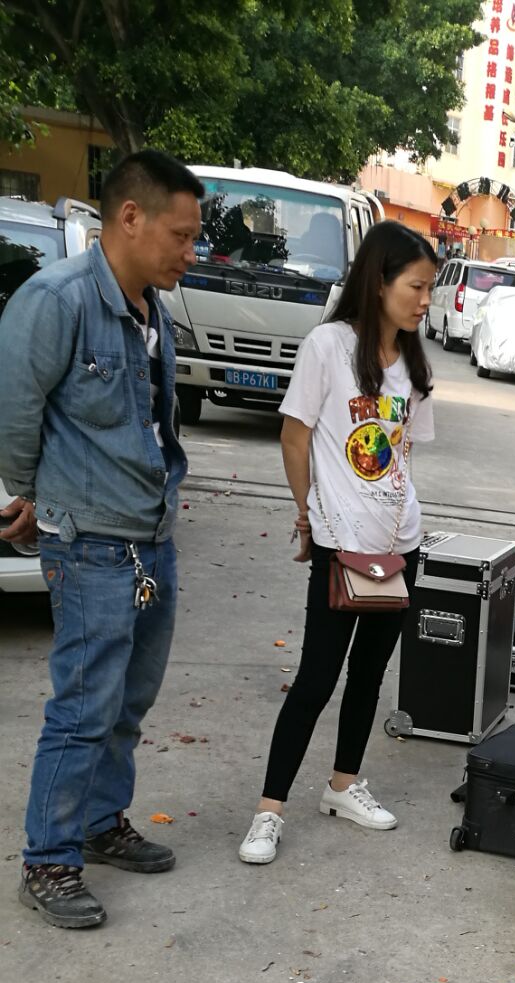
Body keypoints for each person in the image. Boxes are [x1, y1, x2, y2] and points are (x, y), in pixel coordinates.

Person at [0, 150, 203, 930]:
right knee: (83, 708)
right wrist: (32, 494)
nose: (190, 252)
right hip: (89, 543)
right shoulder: (56, 301)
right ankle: (48, 860)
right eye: (181, 236)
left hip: (151, 537)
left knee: (128, 702)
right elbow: (15, 412)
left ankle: (98, 821)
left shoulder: (150, 310)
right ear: (130, 217)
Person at [238, 221, 437, 866]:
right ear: (379, 281)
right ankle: (269, 811)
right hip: (339, 543)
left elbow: (403, 453)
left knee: (370, 674)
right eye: (416, 286)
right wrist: (307, 516)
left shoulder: (413, 364)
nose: (425, 300)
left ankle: (344, 785)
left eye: (429, 289)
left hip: (399, 543)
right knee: (316, 677)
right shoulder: (328, 346)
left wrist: (401, 521)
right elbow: (295, 436)